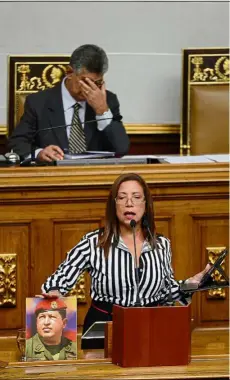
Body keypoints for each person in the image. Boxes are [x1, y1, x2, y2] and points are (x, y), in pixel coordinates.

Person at [41, 173, 211, 348]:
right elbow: (59, 279)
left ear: (146, 205)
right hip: (103, 328)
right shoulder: (93, 242)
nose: (129, 203)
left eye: (136, 197)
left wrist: (192, 283)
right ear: (114, 205)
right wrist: (55, 291)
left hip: (149, 327)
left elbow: (166, 292)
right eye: (122, 197)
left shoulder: (161, 245)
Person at [8, 44, 130, 161]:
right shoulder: (39, 102)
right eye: (86, 82)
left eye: (97, 83)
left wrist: (102, 111)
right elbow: (17, 143)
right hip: (53, 176)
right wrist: (39, 153)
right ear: (69, 72)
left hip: (94, 175)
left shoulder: (108, 100)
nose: (91, 89)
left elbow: (121, 148)